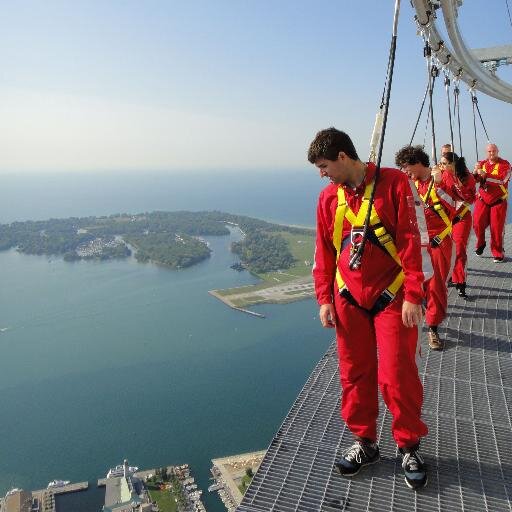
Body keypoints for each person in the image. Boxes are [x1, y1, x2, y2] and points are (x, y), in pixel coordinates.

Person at [308, 128, 431, 490]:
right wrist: (324, 298)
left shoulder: (392, 184)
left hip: (391, 296)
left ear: (343, 157)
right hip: (348, 297)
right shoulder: (330, 198)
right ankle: (366, 442)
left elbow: (410, 239)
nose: (322, 173)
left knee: (397, 374)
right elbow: (324, 251)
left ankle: (408, 445)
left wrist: (413, 294)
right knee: (354, 374)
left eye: (324, 165)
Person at [395, 145, 458, 351]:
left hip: (438, 242)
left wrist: (439, 185)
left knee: (436, 287)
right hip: (416, 243)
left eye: (406, 166)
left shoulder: (441, 178)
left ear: (418, 162)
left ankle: (432, 326)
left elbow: (455, 205)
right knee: (411, 281)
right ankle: (416, 312)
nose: (405, 171)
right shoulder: (409, 184)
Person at [441, 152, 476, 298]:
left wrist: (458, 185)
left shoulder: (467, 177)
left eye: (444, 163)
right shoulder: (443, 175)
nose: (441, 166)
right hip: (445, 218)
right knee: (446, 250)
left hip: (461, 218)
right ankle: (448, 276)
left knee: (459, 250)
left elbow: (470, 198)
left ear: (452, 164)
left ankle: (460, 281)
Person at [473, 143, 511, 262]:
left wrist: (485, 175)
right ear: (486, 152)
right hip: (482, 199)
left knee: (496, 228)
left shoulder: (505, 164)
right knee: (477, 223)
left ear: (497, 151)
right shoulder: (481, 164)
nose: (491, 153)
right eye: (489, 151)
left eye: (493, 151)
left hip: (498, 201)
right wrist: (475, 172)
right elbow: (474, 180)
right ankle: (480, 243)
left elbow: (502, 180)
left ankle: (497, 252)